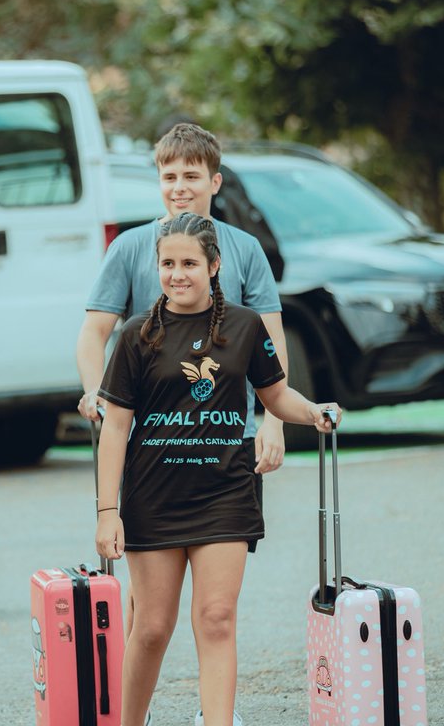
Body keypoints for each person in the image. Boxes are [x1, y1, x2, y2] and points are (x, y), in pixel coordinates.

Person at [93, 214, 342, 726]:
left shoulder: (245, 327)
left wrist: (313, 411)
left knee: (216, 618)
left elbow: (275, 394)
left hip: (225, 494)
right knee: (152, 628)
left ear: (214, 265)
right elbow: (115, 428)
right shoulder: (137, 336)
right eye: (167, 263)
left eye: (188, 263)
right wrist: (106, 512)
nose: (177, 274)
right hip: (153, 498)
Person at [77, 122, 287, 723]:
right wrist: (98, 393)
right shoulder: (130, 250)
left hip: (225, 452)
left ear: (214, 183)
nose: (179, 188)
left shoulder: (244, 250)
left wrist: (274, 424)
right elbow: (94, 335)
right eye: (169, 176)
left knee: (217, 613)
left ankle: (214, 718)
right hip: (151, 461)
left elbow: (269, 346)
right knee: (152, 622)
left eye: (191, 177)